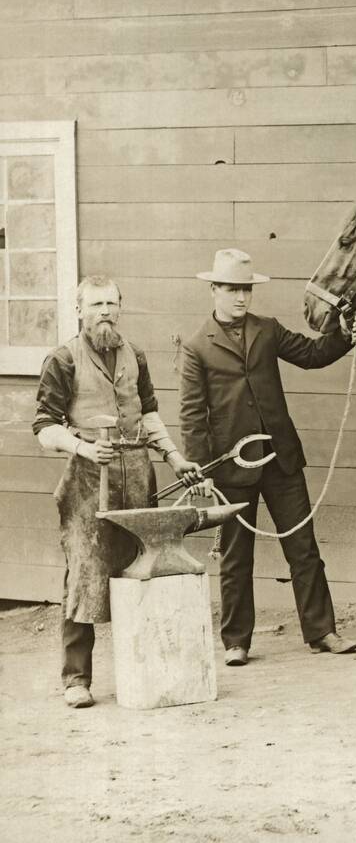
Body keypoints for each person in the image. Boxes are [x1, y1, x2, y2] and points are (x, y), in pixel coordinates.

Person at [179, 249, 356, 667]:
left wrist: (345, 334)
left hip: (281, 460)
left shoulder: (268, 330)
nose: (241, 298)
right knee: (235, 557)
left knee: (303, 549)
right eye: (232, 289)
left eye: (246, 289)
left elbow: (313, 355)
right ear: (214, 290)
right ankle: (236, 642)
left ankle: (322, 632)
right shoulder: (195, 347)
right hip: (230, 468)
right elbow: (192, 415)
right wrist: (200, 470)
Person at [34, 276, 204, 708]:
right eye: (95, 304)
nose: (105, 311)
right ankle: (76, 679)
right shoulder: (63, 359)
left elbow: (148, 415)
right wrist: (85, 447)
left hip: (137, 477)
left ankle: (146, 667)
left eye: (111, 303)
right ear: (79, 311)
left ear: (121, 307)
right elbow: (44, 428)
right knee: (85, 575)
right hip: (87, 482)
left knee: (144, 568)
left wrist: (174, 458)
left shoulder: (136, 355)